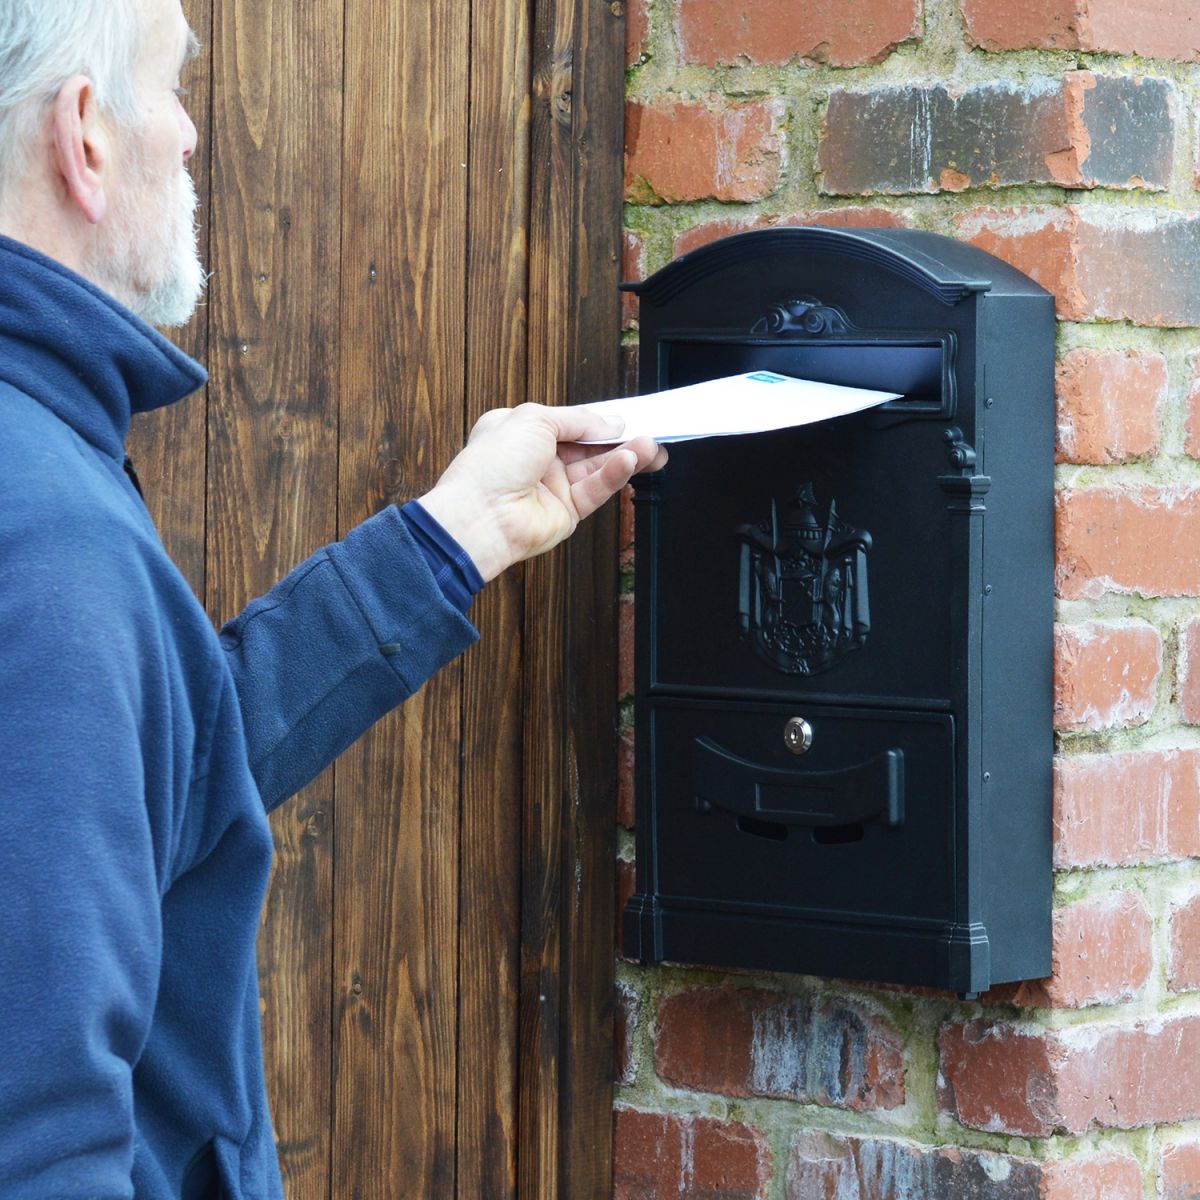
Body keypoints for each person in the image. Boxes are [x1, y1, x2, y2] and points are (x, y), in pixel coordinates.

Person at [0, 0, 666, 1195]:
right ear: (84, 133)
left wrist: (450, 539)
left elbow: (157, 786)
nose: (190, 134)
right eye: (172, 88)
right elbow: (37, 1136)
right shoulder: (48, 537)